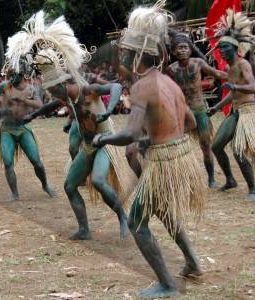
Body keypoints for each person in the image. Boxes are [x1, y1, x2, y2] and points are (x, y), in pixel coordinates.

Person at [93, 2, 206, 297]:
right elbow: (191, 121)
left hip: (164, 162)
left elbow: (129, 132)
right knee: (166, 212)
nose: (126, 57)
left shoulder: (143, 85)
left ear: (138, 54)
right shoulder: (169, 81)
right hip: (180, 156)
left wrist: (104, 140)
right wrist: (157, 137)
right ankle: (192, 262)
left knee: (137, 223)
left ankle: (168, 284)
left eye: (128, 53)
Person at [8, 11, 133, 240]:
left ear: (63, 84)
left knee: (97, 180)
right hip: (88, 145)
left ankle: (123, 218)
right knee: (69, 185)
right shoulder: (65, 95)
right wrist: (33, 115)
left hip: (104, 141)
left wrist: (108, 111)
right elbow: (49, 107)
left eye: (54, 88)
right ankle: (84, 229)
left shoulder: (85, 89)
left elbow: (115, 88)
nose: (52, 93)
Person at [0, 65, 56, 201]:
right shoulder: (5, 86)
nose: (11, 78)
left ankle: (45, 185)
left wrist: (24, 100)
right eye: (9, 75)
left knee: (37, 161)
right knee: (7, 162)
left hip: (22, 128)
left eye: (14, 76)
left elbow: (40, 105)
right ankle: (14, 193)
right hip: (7, 128)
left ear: (21, 75)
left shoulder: (30, 89)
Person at [167, 33, 228, 188]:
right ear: (173, 51)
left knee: (206, 145)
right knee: (178, 145)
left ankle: (211, 179)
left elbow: (217, 74)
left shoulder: (198, 63)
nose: (182, 50)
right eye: (179, 48)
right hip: (182, 112)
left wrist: (235, 76)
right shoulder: (171, 70)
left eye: (185, 47)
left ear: (190, 49)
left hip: (199, 109)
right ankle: (183, 179)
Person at [208, 9, 255, 201]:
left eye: (224, 48)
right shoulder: (228, 67)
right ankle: (230, 179)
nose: (221, 52)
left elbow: (252, 86)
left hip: (248, 111)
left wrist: (234, 85)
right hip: (235, 112)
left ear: (234, 49)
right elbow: (233, 93)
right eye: (220, 49)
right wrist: (217, 107)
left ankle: (253, 189)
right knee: (217, 146)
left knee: (238, 151)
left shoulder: (243, 64)